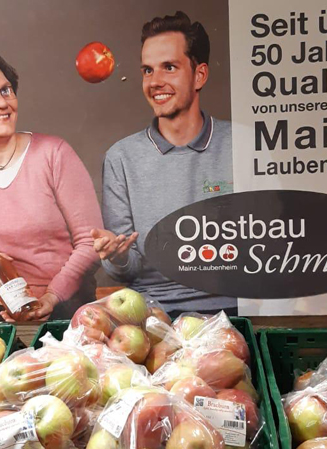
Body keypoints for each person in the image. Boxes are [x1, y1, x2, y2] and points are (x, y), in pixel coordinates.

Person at [0, 50, 102, 322]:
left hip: (65, 306)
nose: (2, 102)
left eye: (6, 90)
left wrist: (52, 296)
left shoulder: (53, 154)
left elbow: (91, 242)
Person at [93, 11, 236, 316]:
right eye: (147, 70)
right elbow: (126, 270)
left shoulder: (245, 145)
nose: (155, 82)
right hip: (153, 316)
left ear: (199, 75)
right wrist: (116, 256)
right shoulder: (121, 158)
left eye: (169, 67)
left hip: (234, 310)